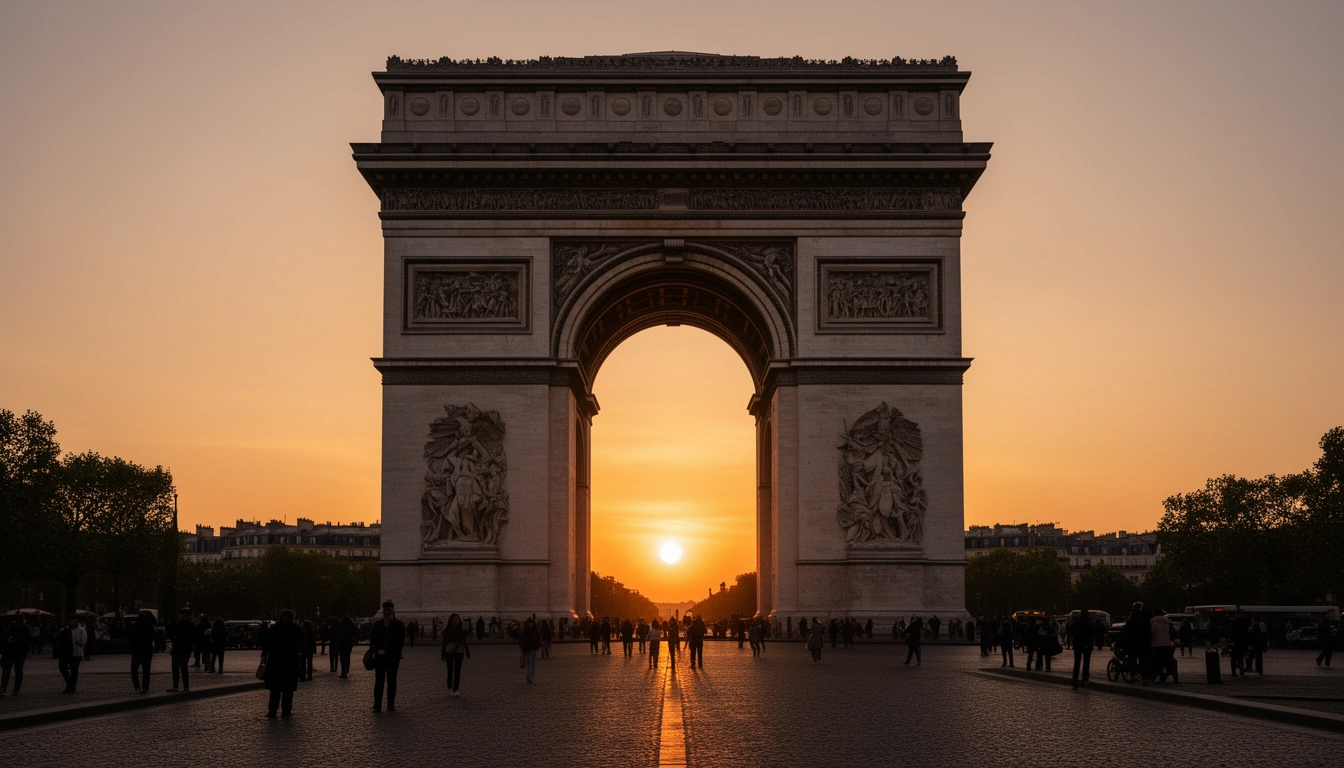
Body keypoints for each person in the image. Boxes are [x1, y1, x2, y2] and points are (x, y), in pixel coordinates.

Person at [262, 609, 304, 718]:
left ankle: (282, 710)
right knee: (281, 689)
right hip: (287, 661)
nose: (285, 618)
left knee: (283, 689)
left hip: (278, 660)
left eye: (287, 616)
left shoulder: (275, 628)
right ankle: (276, 710)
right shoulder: (295, 629)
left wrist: (265, 654)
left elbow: (267, 643)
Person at [370, 600, 405, 711]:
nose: (388, 611)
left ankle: (391, 704)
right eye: (386, 609)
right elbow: (373, 640)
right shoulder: (378, 624)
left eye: (390, 609)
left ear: (393, 610)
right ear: (383, 610)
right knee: (379, 681)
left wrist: (394, 652)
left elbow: (401, 641)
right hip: (380, 657)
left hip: (393, 657)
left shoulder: (398, 624)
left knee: (392, 681)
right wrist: (377, 650)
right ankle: (377, 705)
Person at [440, 613, 470, 697]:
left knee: (457, 671)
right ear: (451, 621)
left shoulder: (462, 630)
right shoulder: (447, 631)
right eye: (454, 619)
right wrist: (443, 653)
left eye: (457, 618)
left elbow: (464, 642)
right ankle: (450, 688)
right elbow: (444, 643)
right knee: (450, 671)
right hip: (449, 651)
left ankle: (456, 689)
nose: (456, 620)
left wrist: (467, 652)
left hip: (459, 652)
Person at [56, 614, 87, 693]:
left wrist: (79, 643)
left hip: (76, 652)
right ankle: (70, 683)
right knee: (62, 667)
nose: (74, 622)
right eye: (72, 620)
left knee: (74, 669)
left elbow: (84, 641)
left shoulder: (81, 630)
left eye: (76, 620)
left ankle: (72, 685)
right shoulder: (65, 630)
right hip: (66, 652)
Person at [1, 617, 31, 696]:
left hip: (10, 653)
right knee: (18, 671)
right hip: (20, 653)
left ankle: (3, 688)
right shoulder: (25, 630)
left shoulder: (9, 631)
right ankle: (16, 689)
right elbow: (29, 641)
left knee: (7, 670)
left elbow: (4, 642)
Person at [169, 608, 195, 692]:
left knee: (182, 667)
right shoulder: (182, 625)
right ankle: (179, 685)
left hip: (183, 649)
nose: (182, 617)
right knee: (177, 667)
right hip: (180, 648)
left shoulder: (188, 625)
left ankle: (182, 685)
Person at [130, 610, 156, 694]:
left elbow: (130, 637)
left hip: (137, 650)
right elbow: (154, 636)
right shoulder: (150, 627)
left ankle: (137, 686)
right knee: (146, 670)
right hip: (146, 650)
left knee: (134, 669)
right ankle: (145, 687)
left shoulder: (135, 626)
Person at [1069, 610, 1094, 690]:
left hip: (1078, 644)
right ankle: (1085, 677)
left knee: (1077, 662)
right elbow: (1092, 632)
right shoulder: (1089, 622)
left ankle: (1075, 680)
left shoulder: (1077, 622)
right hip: (1087, 644)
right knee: (1086, 662)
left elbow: (1070, 629)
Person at [1150, 608, 1176, 683]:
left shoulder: (1154, 623)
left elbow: (1152, 633)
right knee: (1165, 660)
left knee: (1157, 661)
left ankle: (1157, 674)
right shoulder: (1167, 622)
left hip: (1157, 644)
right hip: (1167, 644)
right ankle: (1164, 675)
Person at [520, 616, 542, 683]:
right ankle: (529, 676)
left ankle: (530, 677)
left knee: (531, 661)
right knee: (529, 662)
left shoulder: (533, 631)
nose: (530, 624)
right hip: (527, 648)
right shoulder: (526, 631)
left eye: (531, 623)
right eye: (529, 623)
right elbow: (522, 640)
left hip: (533, 648)